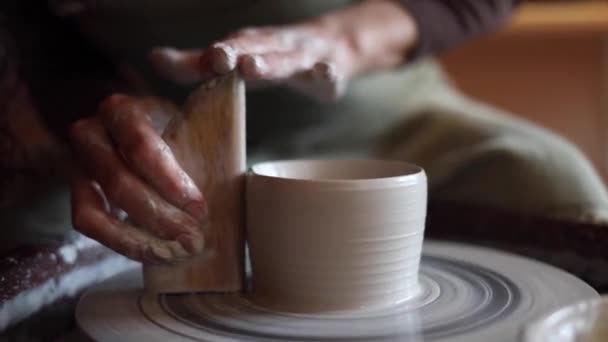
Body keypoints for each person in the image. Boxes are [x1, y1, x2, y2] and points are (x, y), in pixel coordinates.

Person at [1, 1, 607, 261]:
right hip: (176, 148)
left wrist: (342, 39)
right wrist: (103, 107)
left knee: (552, 186)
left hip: (389, 112)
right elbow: (39, 31)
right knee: (29, 249)